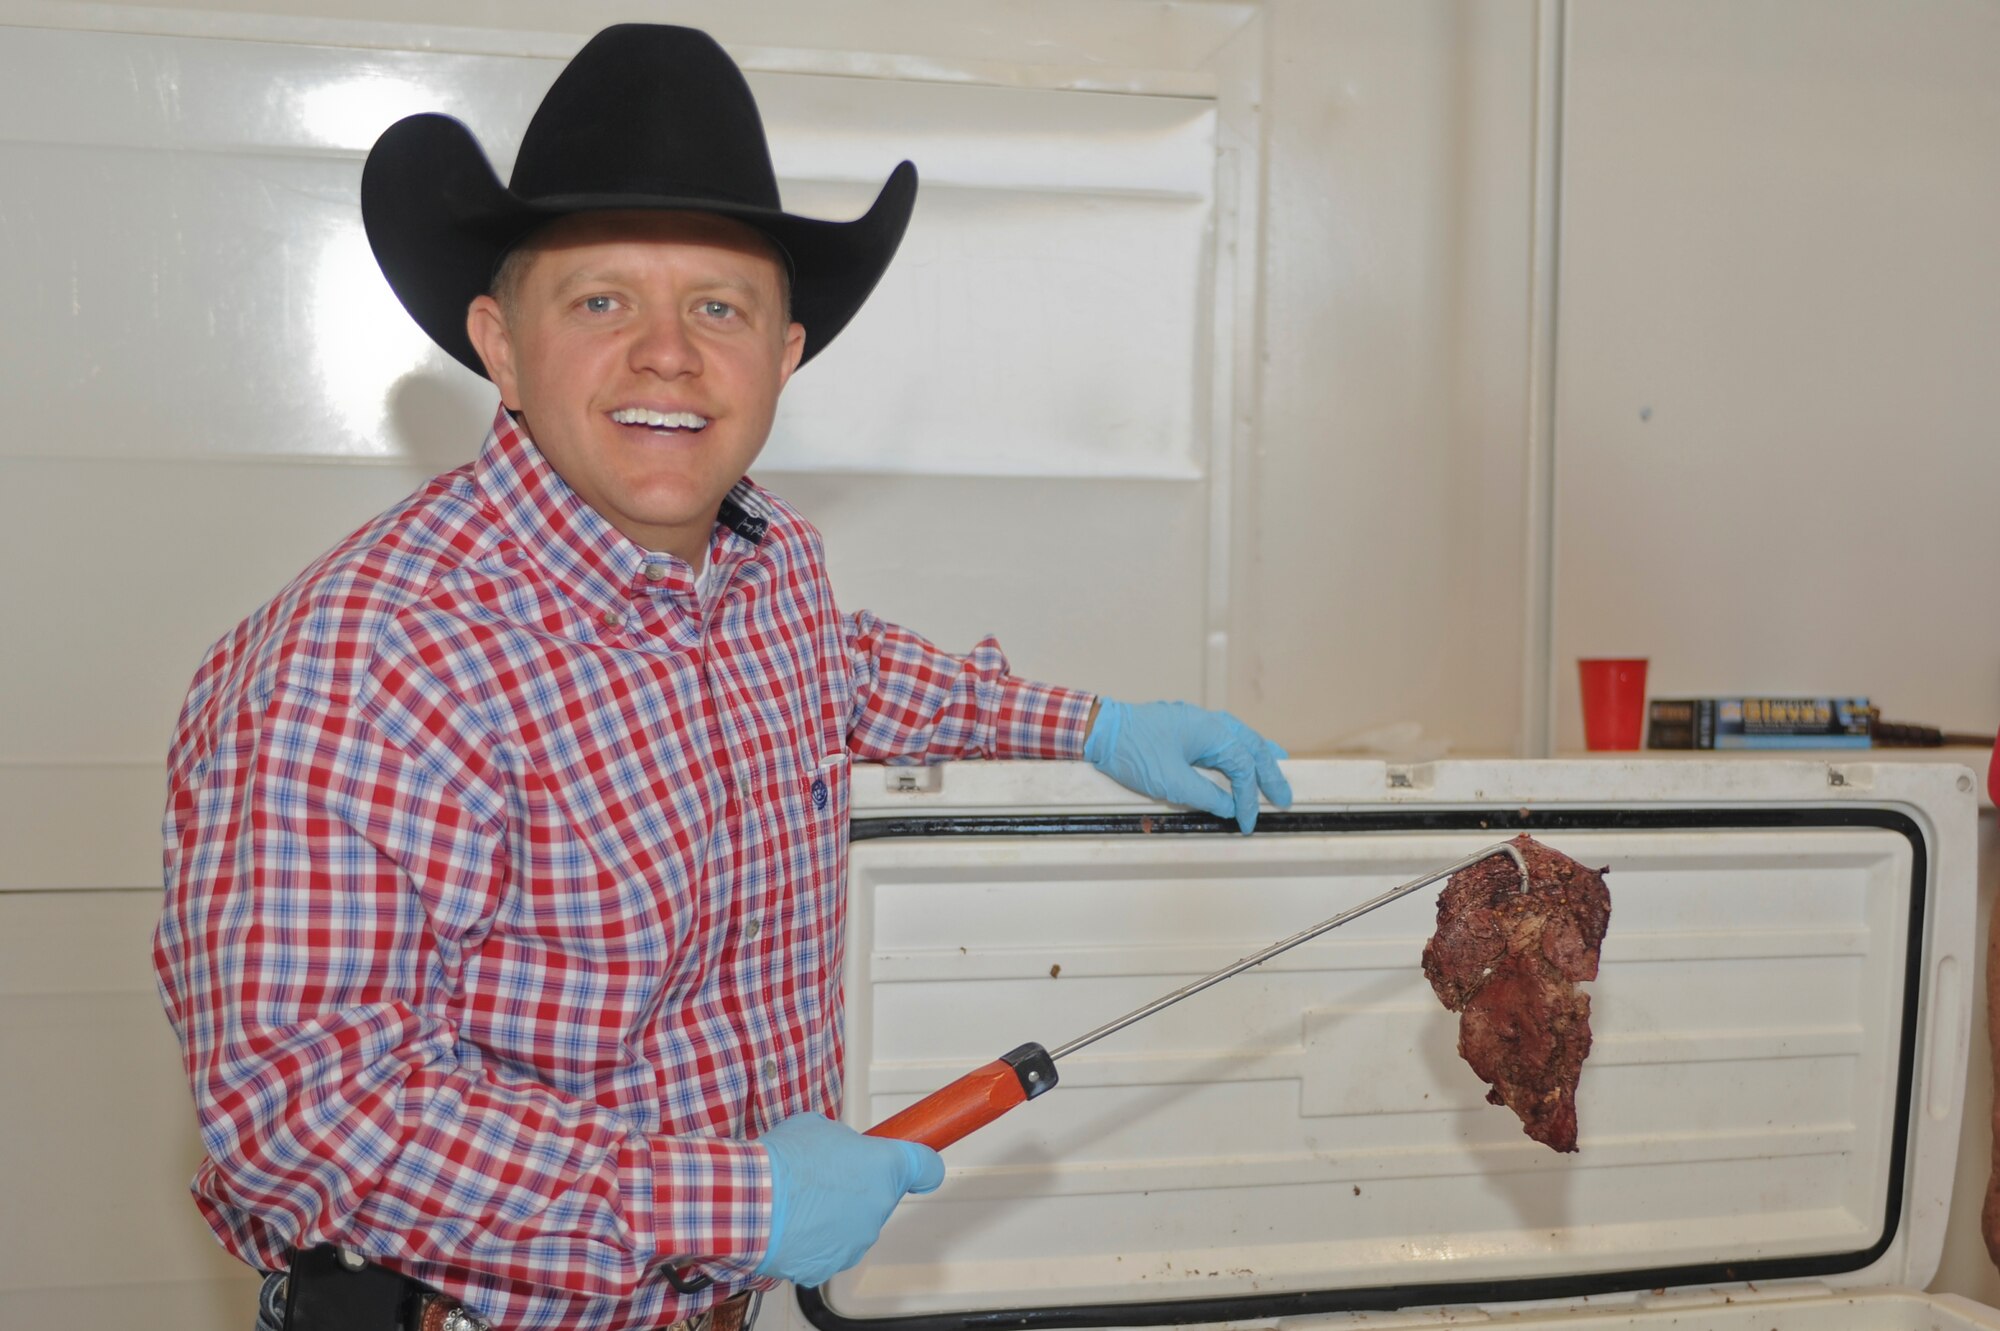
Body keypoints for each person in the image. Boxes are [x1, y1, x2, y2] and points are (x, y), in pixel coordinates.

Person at [154, 24, 1291, 1331]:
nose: (667, 354)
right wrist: (724, 1206)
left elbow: (851, 675)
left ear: (784, 353)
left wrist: (1090, 724)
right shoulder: (365, 661)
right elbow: (306, 1114)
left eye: (718, 305)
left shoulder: (763, 571)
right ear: (501, 344)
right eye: (601, 301)